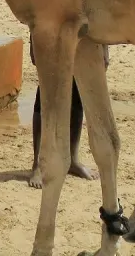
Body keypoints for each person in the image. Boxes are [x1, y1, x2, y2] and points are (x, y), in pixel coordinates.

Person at [29, 36, 109, 188]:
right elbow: (37, 12)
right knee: (46, 97)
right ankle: (38, 164)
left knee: (78, 95)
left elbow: (100, 12)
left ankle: (73, 160)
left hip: (84, 37)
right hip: (52, 33)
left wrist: (104, 48)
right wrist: (33, 42)